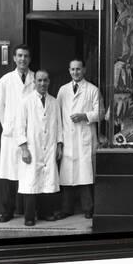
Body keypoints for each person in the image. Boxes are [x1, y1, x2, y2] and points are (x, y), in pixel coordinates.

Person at [15, 70, 63, 226]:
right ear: (34, 82)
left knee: (47, 181)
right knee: (31, 182)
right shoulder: (25, 102)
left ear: (49, 82)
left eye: (45, 80)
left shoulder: (54, 102)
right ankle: (29, 216)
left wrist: (59, 145)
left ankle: (45, 213)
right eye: (39, 80)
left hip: (49, 147)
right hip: (32, 147)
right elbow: (19, 127)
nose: (42, 83)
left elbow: (59, 126)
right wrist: (24, 149)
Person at [55, 58, 102, 219]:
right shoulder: (62, 90)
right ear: (69, 71)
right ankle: (66, 209)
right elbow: (58, 117)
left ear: (84, 70)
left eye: (78, 69)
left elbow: (100, 113)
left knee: (85, 175)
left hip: (85, 137)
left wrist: (85, 115)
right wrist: (59, 142)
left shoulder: (92, 90)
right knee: (67, 176)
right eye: (73, 69)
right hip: (68, 137)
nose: (76, 72)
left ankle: (88, 208)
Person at [0, 44, 35, 223]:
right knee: (9, 173)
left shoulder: (35, 79)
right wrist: (7, 125)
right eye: (19, 56)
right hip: (10, 134)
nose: (22, 59)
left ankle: (29, 213)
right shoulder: (6, 80)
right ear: (13, 58)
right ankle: (7, 211)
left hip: (30, 133)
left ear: (29, 59)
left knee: (29, 173)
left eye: (26, 56)